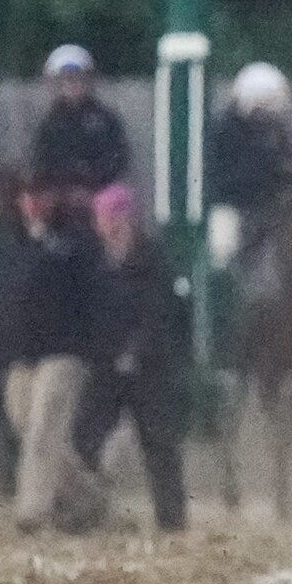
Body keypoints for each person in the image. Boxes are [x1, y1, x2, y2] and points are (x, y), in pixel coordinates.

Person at [72, 183, 191, 533]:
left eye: (113, 215)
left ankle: (172, 521)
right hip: (105, 364)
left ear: (127, 217)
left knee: (159, 443)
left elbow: (160, 311)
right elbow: (86, 312)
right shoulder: (93, 260)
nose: (108, 223)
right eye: (102, 217)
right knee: (84, 437)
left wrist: (136, 350)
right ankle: (90, 510)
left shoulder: (152, 257)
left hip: (148, 367)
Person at [0, 177, 100, 532]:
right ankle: (88, 497)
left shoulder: (75, 241)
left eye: (40, 194)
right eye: (28, 196)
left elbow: (87, 294)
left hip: (63, 352)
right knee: (31, 428)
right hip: (22, 357)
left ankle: (32, 512)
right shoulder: (10, 245)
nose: (34, 202)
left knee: (43, 430)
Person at [204, 61, 292, 266]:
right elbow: (216, 175)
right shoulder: (225, 130)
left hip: (270, 206)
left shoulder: (275, 130)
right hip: (232, 206)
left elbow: (290, 163)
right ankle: (222, 287)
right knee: (223, 250)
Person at [29, 44, 132, 201]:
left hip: (99, 191)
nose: (71, 84)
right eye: (65, 79)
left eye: (76, 78)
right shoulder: (50, 122)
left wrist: (91, 184)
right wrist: (61, 186)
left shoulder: (104, 119)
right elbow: (40, 160)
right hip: (59, 193)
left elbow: (118, 158)